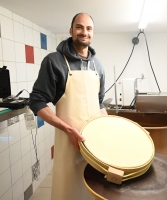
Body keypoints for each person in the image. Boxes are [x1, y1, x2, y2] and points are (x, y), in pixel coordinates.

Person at [29, 13, 107, 200]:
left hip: (94, 143)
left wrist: (109, 131)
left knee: (94, 189)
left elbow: (99, 103)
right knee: (69, 190)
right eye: (79, 27)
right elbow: (36, 101)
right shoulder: (54, 61)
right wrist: (68, 129)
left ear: (92, 33)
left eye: (89, 29)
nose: (84, 32)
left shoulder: (98, 66)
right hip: (68, 141)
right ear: (71, 30)